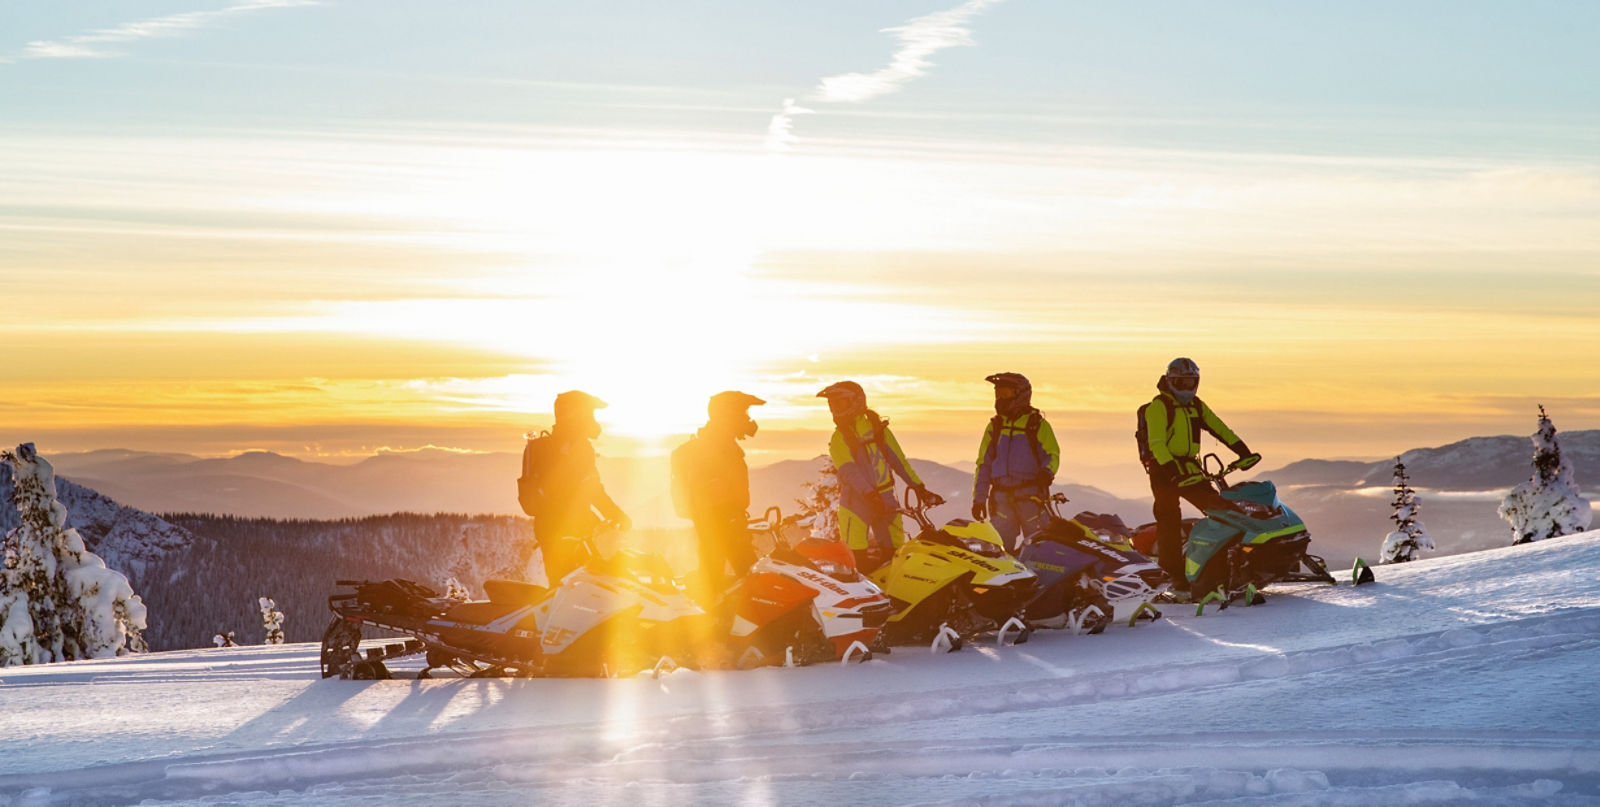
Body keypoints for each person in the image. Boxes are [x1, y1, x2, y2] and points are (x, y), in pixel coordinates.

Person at [1137, 358, 1261, 596]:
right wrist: (1171, 471)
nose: (1187, 388)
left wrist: (1243, 451)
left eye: (1191, 382)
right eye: (1182, 382)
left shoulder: (1196, 406)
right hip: (1163, 470)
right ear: (1171, 381)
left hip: (1190, 467)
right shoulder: (1158, 407)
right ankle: (1173, 575)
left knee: (1221, 510)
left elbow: (1220, 429)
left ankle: (1229, 564)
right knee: (1169, 519)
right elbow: (1156, 444)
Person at [818, 380, 941, 572]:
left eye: (840, 403)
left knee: (895, 558)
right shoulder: (839, 438)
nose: (835, 409)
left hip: (885, 499)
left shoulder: (878, 430)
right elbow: (849, 472)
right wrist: (870, 495)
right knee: (856, 562)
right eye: (832, 404)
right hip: (855, 504)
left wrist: (919, 487)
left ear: (856, 401)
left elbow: (899, 462)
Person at [672, 391, 765, 605]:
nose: (747, 419)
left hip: (723, 521)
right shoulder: (715, 448)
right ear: (728, 416)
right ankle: (730, 628)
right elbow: (708, 490)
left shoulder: (719, 444)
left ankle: (718, 622)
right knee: (749, 577)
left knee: (716, 576)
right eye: (743, 412)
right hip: (723, 522)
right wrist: (728, 517)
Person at [529, 390, 630, 587]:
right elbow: (591, 489)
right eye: (590, 413)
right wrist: (617, 515)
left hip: (550, 528)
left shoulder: (549, 446)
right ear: (577, 415)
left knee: (561, 587)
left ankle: (557, 617)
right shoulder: (576, 447)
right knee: (586, 588)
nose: (593, 420)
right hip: (572, 531)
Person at [972, 372, 1061, 552]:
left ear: (1021, 395)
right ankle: (1009, 581)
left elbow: (1052, 454)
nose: (1000, 400)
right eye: (998, 395)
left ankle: (1039, 580)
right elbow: (983, 464)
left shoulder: (1036, 424)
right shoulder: (995, 426)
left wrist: (1047, 472)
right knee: (999, 551)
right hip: (1001, 498)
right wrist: (979, 499)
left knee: (1038, 549)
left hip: (1031, 497)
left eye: (1006, 394)